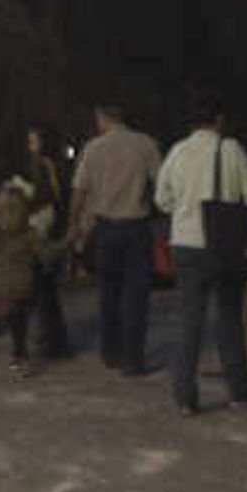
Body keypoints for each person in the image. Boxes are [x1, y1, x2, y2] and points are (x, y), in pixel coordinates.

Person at [155, 97, 247, 414]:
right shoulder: (230, 149)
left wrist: (184, 207)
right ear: (219, 120)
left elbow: (161, 199)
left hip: (184, 243)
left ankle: (184, 396)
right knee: (229, 316)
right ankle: (239, 388)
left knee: (190, 319)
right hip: (222, 245)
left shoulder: (177, 151)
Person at [67, 95, 166, 374]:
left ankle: (111, 351)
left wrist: (74, 223)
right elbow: (161, 184)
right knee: (136, 295)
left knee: (108, 293)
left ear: (102, 117)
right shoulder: (146, 145)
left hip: (106, 227)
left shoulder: (94, 148)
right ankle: (134, 358)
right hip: (136, 225)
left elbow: (80, 190)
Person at [0, 175, 62, 375]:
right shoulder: (28, 233)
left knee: (16, 315)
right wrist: (68, 241)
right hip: (21, 287)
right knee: (26, 307)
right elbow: (47, 253)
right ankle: (25, 350)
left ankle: (18, 352)